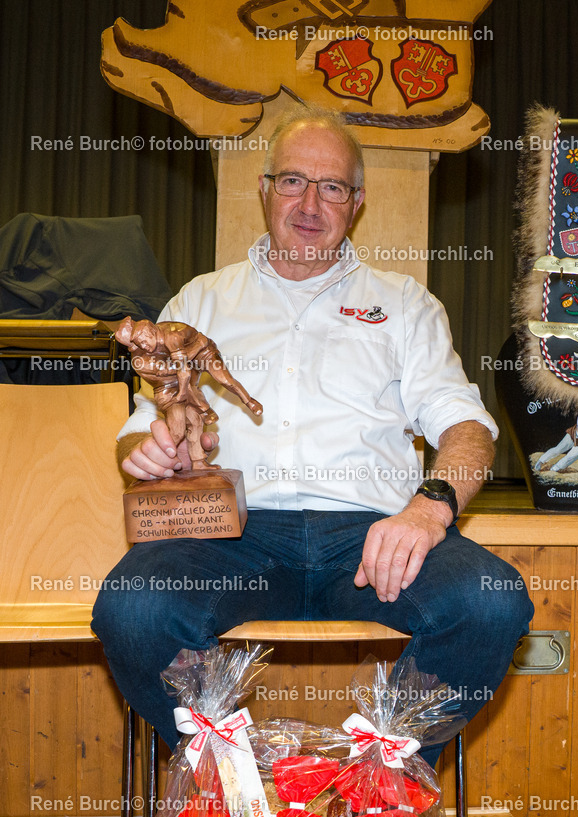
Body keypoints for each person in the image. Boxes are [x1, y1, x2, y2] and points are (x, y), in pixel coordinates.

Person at [92, 107, 533, 767]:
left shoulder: (404, 303)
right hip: (231, 539)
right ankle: (229, 788)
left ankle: (384, 778)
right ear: (265, 189)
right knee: (133, 610)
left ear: (355, 204)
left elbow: (464, 424)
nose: (308, 202)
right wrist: (145, 453)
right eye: (293, 181)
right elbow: (138, 429)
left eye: (331, 187)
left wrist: (429, 507)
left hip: (369, 539)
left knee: (489, 603)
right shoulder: (202, 300)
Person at [115, 316, 263, 469]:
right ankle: (166, 457)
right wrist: (148, 458)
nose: (142, 348)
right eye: (135, 346)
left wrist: (195, 351)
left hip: (187, 374)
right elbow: (172, 373)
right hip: (166, 392)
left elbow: (184, 371)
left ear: (150, 332)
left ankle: (198, 462)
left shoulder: (170, 334)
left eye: (141, 343)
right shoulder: (139, 361)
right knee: (177, 431)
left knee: (195, 421)